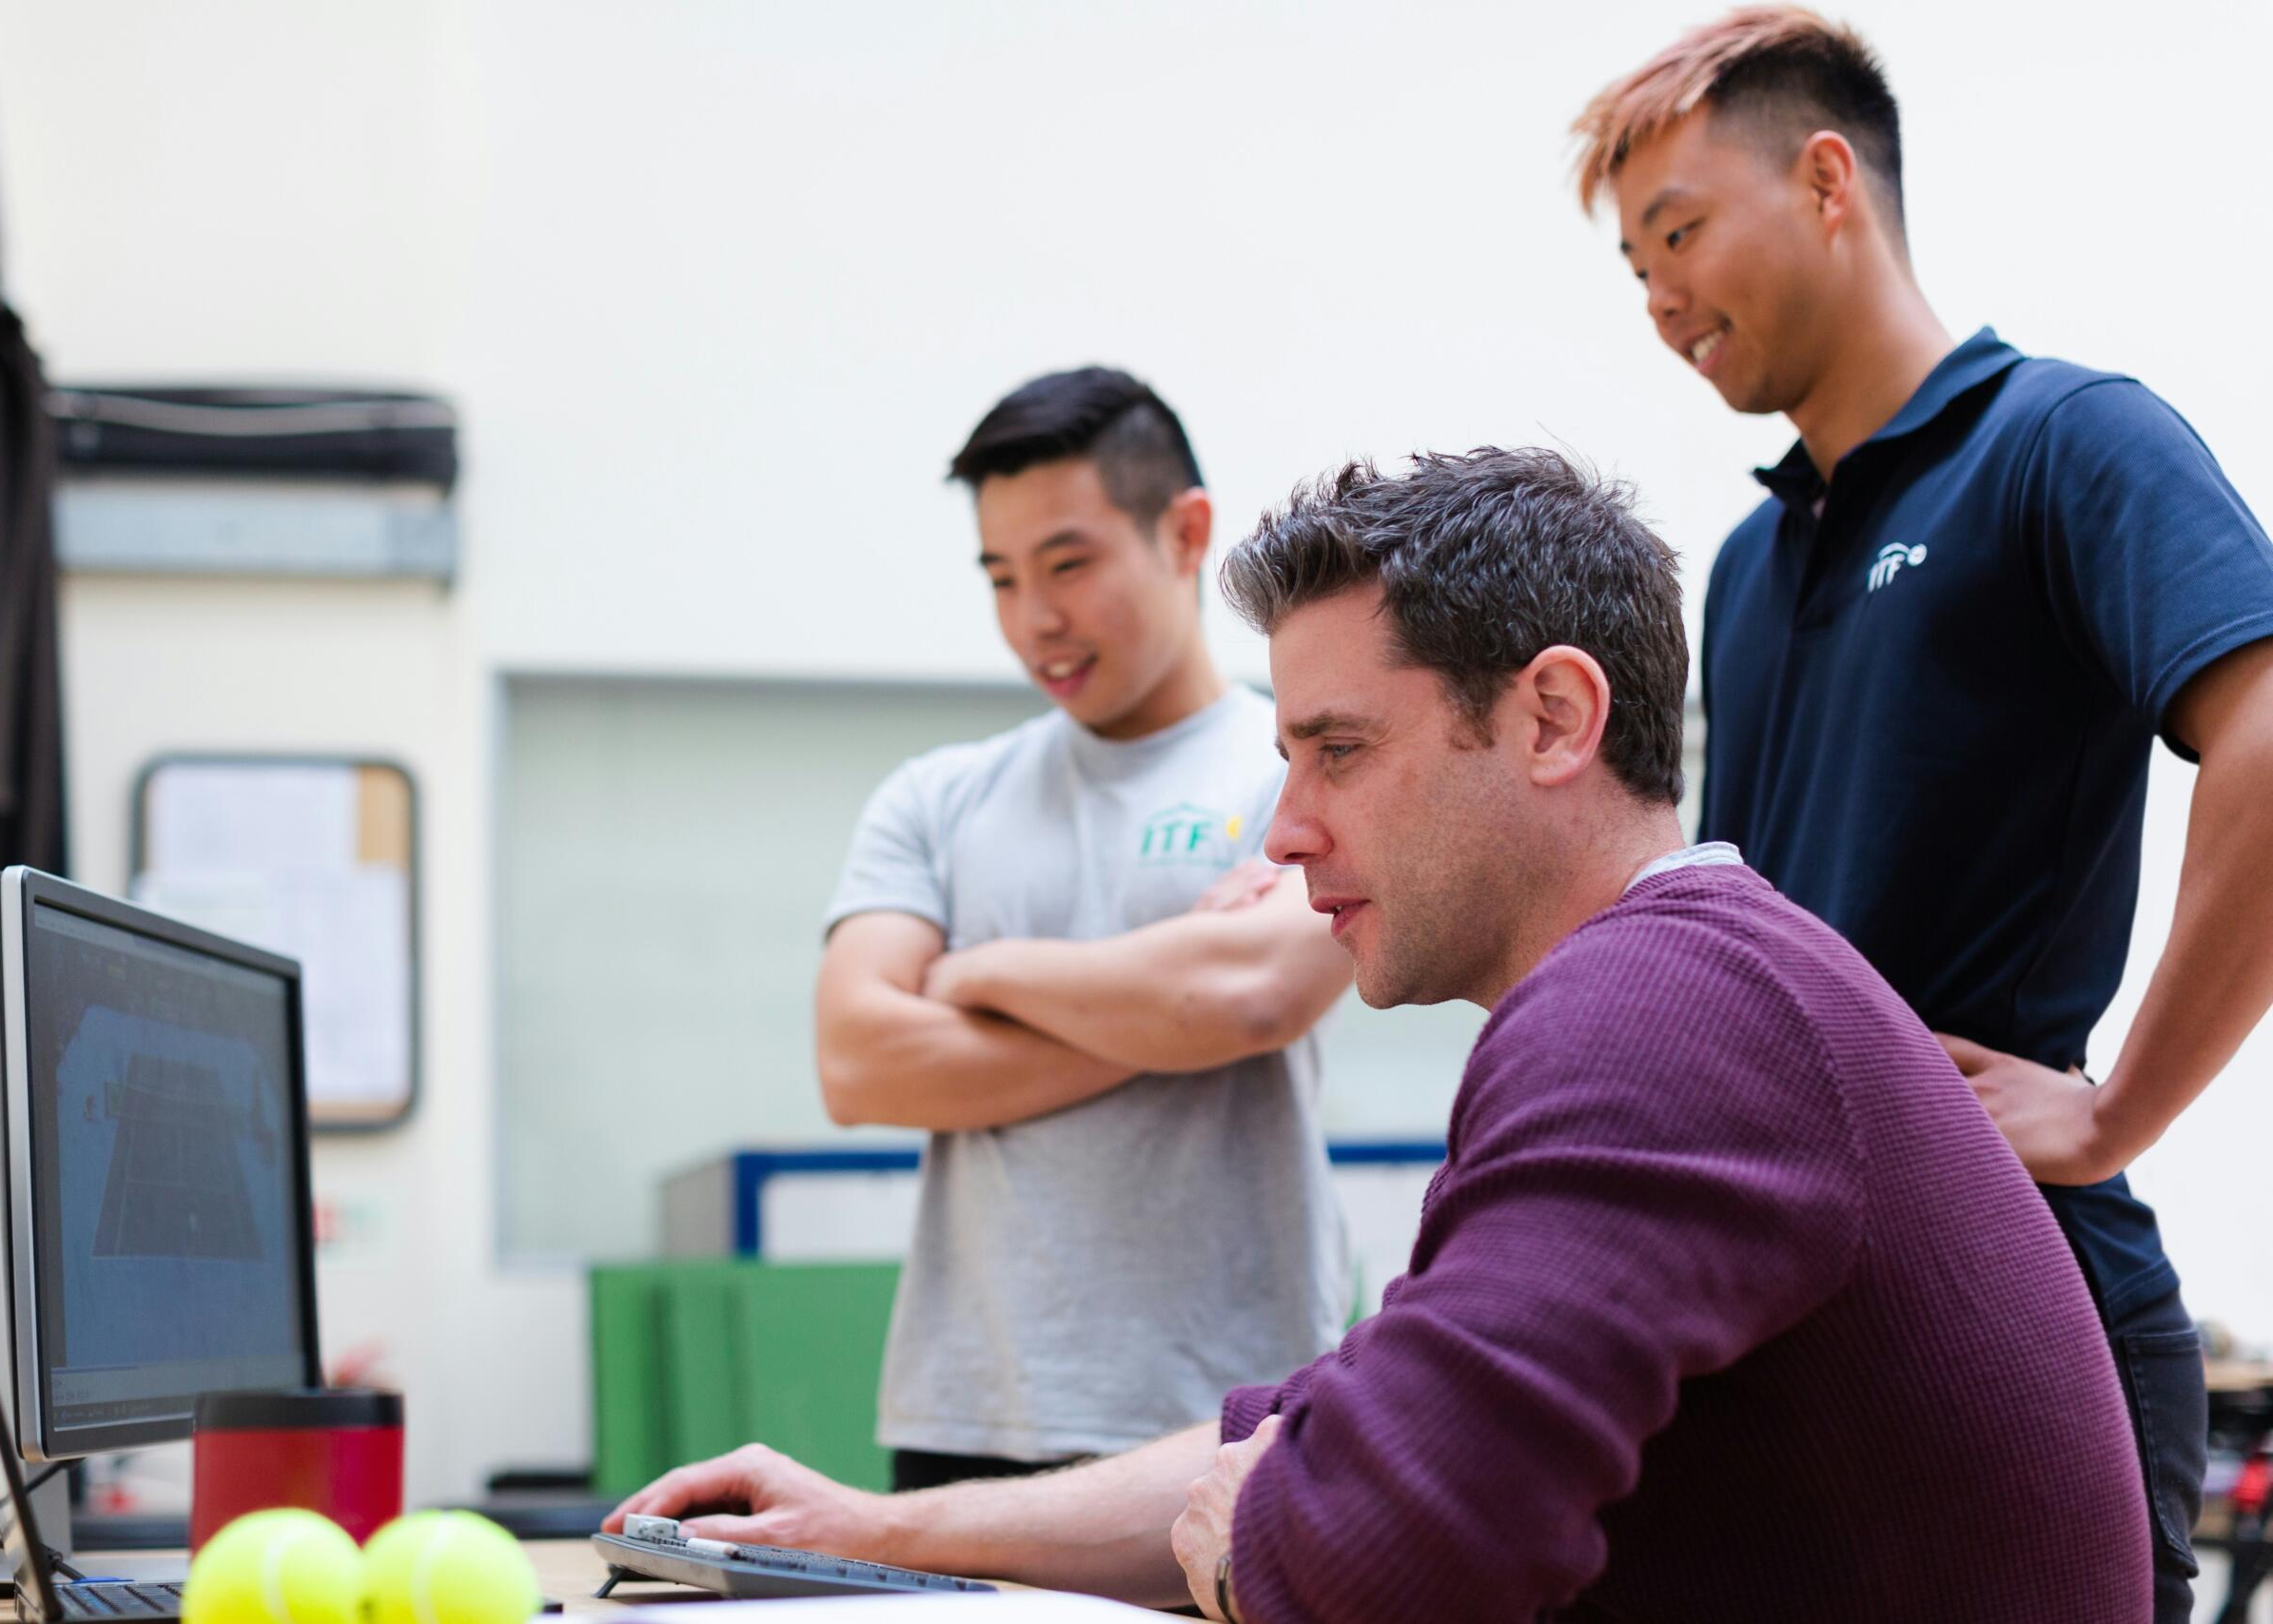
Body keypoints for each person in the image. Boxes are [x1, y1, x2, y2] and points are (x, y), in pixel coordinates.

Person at [610, 448, 2152, 1622]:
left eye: (1338, 751)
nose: (1284, 833)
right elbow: (1344, 1425)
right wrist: (875, 1531)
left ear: (1554, 719)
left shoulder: (1658, 1013)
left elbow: (1387, 1551)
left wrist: (1264, 1530)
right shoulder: (1687, 980)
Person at [1571, 11, 2273, 1615]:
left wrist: (2116, 1113)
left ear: (1829, 181)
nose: (1663, 297)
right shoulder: (1750, 563)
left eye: (1679, 232)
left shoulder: (2064, 442)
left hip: (2031, 1311)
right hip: (1795, 1332)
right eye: (1633, 268)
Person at [813, 365, 1354, 1491]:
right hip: (971, 1418)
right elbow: (859, 1060)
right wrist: (1163, 1007)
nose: (1035, 619)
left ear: (1185, 532)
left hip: (1230, 1411)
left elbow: (1252, 993)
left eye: (1068, 565)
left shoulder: (1299, 771)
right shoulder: (936, 797)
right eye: (1001, 578)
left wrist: (979, 970)